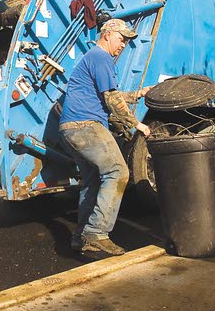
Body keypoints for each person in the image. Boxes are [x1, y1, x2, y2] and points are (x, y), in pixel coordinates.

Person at [59, 18, 151, 256]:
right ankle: (96, 233)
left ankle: (80, 236)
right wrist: (136, 124)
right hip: (86, 125)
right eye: (121, 39)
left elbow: (111, 93)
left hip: (70, 128)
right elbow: (111, 99)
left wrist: (137, 94)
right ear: (107, 34)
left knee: (92, 181)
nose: (123, 45)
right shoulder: (101, 57)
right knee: (118, 172)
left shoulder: (92, 57)